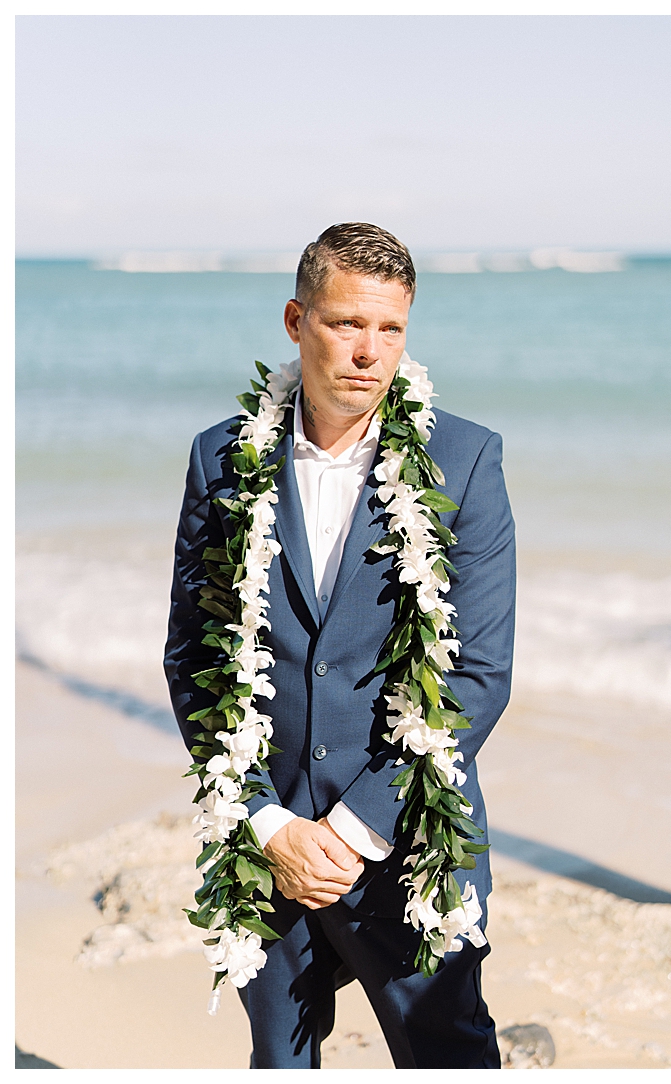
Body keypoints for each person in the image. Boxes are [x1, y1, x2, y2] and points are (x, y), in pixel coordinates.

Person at [165, 222, 515, 1068]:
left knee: (447, 1051)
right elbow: (193, 657)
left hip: (402, 837)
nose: (369, 351)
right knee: (282, 1060)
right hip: (270, 842)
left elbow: (479, 675)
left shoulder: (464, 460)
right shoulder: (221, 458)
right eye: (345, 324)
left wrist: (355, 826)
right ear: (295, 321)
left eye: (389, 328)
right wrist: (264, 819)